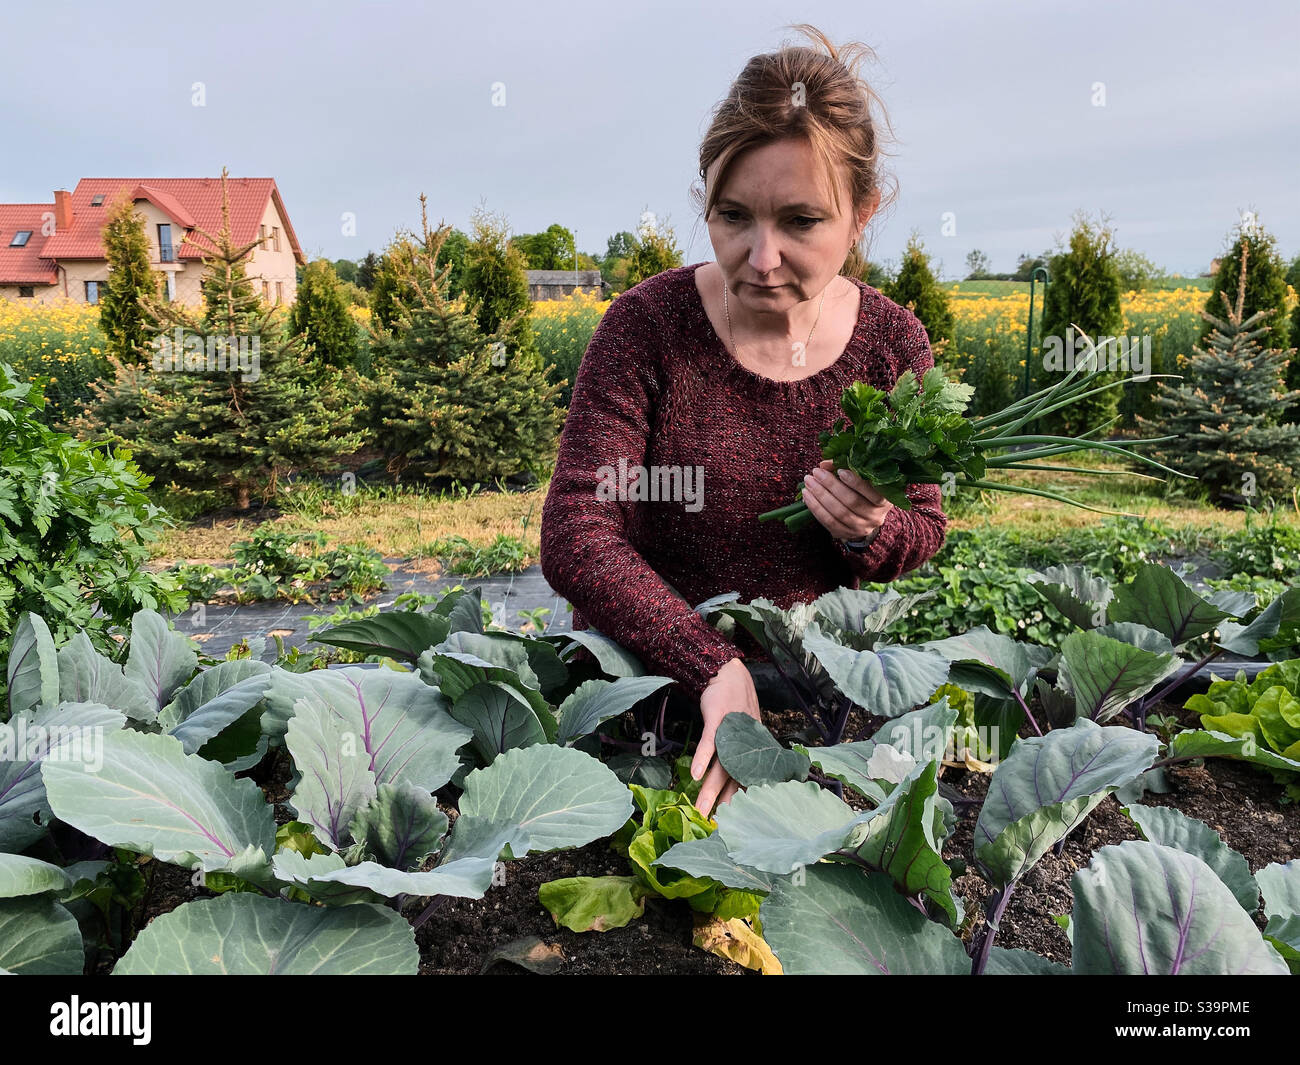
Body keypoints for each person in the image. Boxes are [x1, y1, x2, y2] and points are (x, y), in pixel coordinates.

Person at [539, 24, 948, 817]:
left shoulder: (891, 343)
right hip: (643, 698)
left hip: (812, 710)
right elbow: (577, 530)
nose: (762, 257)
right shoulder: (647, 328)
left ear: (860, 214)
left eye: (801, 222)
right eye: (734, 217)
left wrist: (872, 530)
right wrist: (709, 662)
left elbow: (924, 530)